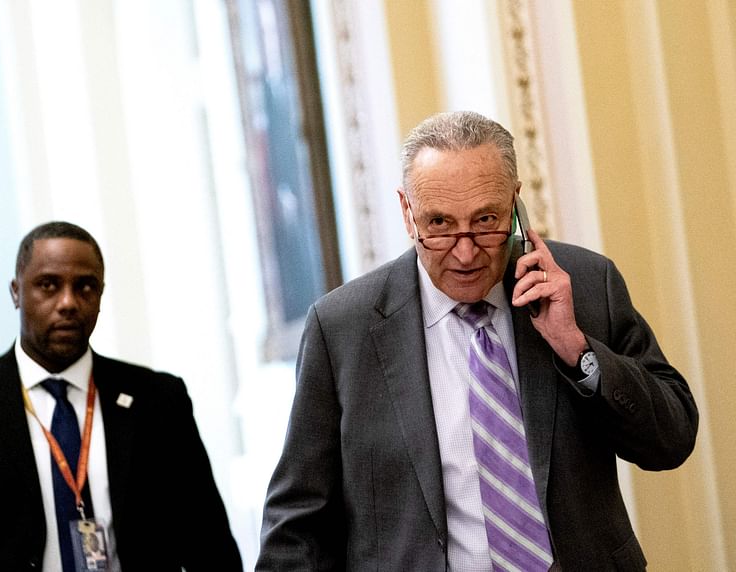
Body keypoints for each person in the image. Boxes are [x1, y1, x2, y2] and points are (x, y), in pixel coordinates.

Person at [256, 111, 698, 571]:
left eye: (486, 220)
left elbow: (672, 439)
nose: (465, 253)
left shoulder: (584, 285)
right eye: (440, 224)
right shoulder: (342, 329)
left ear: (516, 206)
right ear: (407, 213)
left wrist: (576, 348)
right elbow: (297, 523)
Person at [0, 221, 242, 571]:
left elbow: (209, 543)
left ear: (100, 295)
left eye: (85, 286)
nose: (68, 302)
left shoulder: (158, 400)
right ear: (16, 291)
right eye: (48, 285)